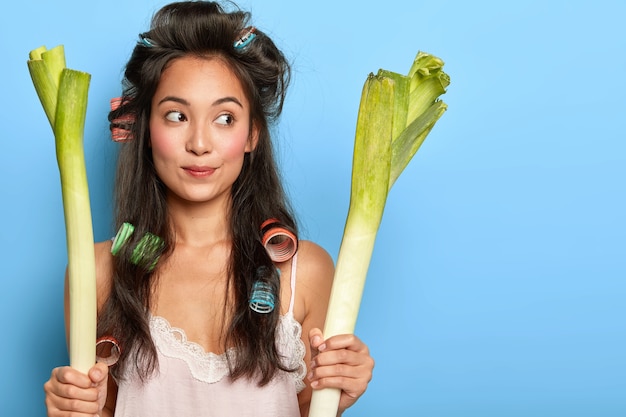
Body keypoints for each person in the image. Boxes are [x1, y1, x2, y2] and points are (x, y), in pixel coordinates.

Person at [43, 1, 374, 416]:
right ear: (145, 129)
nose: (200, 143)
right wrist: (72, 407)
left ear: (253, 133)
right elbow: (104, 409)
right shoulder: (96, 272)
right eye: (177, 115)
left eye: (225, 119)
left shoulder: (303, 271)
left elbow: (306, 407)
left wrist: (339, 393)